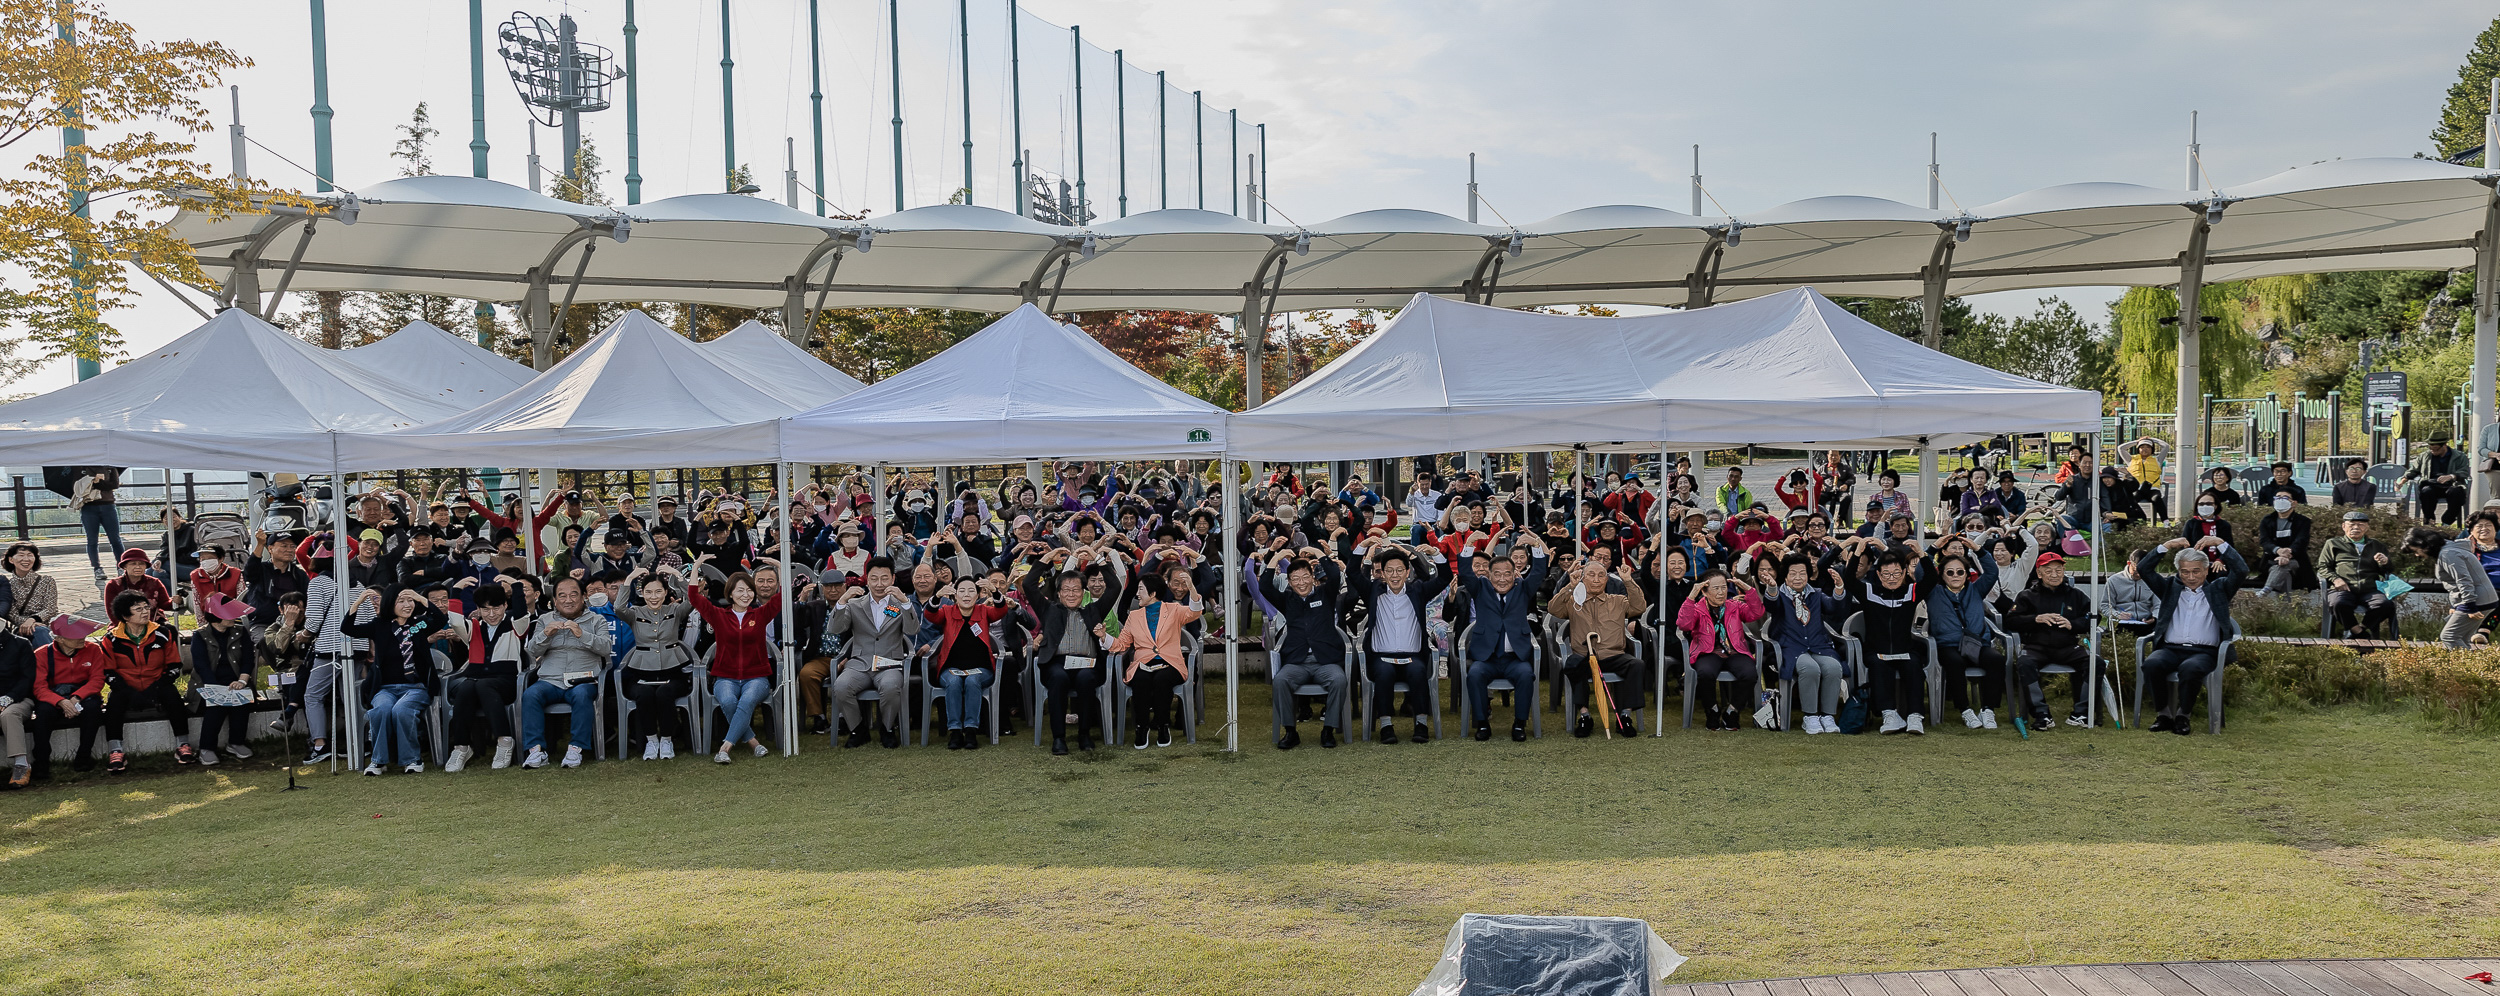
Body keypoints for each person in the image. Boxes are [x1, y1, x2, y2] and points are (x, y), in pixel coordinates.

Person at [2134, 537, 2248, 734]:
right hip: (2171, 649)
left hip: (2204, 652)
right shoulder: (2169, 588)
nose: (2191, 577)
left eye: (2196, 571)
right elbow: (2144, 569)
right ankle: (2164, 715)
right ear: (2179, 571)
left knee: (2190, 668)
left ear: (2206, 569)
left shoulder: (2219, 589)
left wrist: (2220, 543)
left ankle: (2182, 716)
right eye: (2185, 571)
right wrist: (2166, 546)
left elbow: (2241, 570)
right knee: (2152, 664)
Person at [1346, 542, 1451, 744]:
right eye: (1389, 571)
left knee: (1418, 672)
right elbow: (1352, 572)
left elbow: (1445, 577)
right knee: (1384, 674)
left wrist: (1436, 553)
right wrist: (1362, 547)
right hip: (1381, 657)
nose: (1395, 575)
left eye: (1399, 570)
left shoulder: (1418, 590)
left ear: (1407, 572)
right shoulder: (1373, 591)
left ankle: (1421, 724)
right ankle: (1386, 726)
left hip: (1412, 656)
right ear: (1383, 573)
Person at [342, 585, 451, 775]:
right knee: (381, 710)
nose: (407, 605)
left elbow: (440, 619)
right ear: (389, 604)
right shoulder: (380, 626)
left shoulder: (418, 624)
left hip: (415, 688)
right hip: (385, 689)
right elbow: (347, 628)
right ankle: (378, 761)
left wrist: (420, 597)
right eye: (401, 601)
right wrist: (358, 602)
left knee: (402, 710)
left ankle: (412, 760)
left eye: (409, 600)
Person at [1456, 529, 1550, 741]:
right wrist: (1470, 543)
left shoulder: (1522, 589)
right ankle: (1482, 724)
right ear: (1489, 575)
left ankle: (1519, 724)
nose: (1502, 579)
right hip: (1486, 657)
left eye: (1507, 573)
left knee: (1526, 676)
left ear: (1515, 574)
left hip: (1514, 658)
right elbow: (1465, 572)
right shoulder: (1480, 588)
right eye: (1496, 574)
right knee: (1475, 675)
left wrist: (1535, 544)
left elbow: (1538, 571)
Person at [1546, 557, 1649, 738]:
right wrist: (1570, 586)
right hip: (1584, 655)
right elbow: (1553, 609)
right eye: (1591, 575)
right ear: (1583, 578)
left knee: (1637, 665)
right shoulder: (1573, 601)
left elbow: (1639, 607)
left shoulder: (1617, 600)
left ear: (1607, 579)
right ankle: (1585, 715)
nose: (1596, 579)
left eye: (1601, 575)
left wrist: (1628, 580)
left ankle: (1624, 715)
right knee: (1572, 664)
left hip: (1613, 655)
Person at [1259, 546, 1350, 749]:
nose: (1301, 583)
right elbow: (1264, 587)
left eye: (1305, 577)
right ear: (1289, 582)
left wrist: (1318, 553)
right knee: (1281, 681)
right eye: (1296, 579)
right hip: (1297, 662)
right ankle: (1290, 731)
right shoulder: (1287, 600)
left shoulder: (1325, 594)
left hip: (1325, 661)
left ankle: (1328, 730)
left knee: (1339, 680)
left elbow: (1335, 575)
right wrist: (1276, 557)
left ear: (1313, 578)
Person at [817, 558, 913, 749]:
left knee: (891, 686)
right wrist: (843, 601)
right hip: (860, 663)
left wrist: (905, 602)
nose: (879, 584)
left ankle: (887, 728)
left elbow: (912, 630)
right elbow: (835, 629)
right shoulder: (855, 604)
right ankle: (858, 729)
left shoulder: (899, 603)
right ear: (866, 580)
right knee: (841, 686)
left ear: (893, 579)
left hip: (889, 663)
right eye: (874, 578)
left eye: (884, 578)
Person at [520, 576, 614, 769]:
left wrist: (582, 634)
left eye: (574, 594)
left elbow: (606, 648)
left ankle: (575, 749)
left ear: (584, 598)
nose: (568, 600)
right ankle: (536, 750)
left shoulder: (597, 620)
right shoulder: (545, 620)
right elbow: (532, 651)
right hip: (550, 680)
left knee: (581, 695)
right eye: (562, 596)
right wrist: (546, 635)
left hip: (583, 678)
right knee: (530, 695)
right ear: (554, 601)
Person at [1023, 563, 1115, 754]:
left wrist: (1098, 559)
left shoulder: (1093, 610)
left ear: (1084, 592)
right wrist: (1046, 560)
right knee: (1058, 678)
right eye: (1066, 590)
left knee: (1086, 679)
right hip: (1057, 663)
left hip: (1087, 664)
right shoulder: (1049, 609)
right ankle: (1059, 738)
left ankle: (1084, 734)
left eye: (1076, 590)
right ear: (1058, 593)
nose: (1071, 594)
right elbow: (1029, 584)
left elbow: (1115, 587)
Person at [690, 571, 778, 763]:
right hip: (725, 677)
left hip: (757, 677)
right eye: (740, 591)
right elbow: (694, 597)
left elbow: (782, 597)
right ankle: (754, 743)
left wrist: (779, 567)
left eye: (749, 590)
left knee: (746, 701)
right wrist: (696, 567)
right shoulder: (719, 615)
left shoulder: (760, 614)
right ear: (730, 594)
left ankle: (725, 748)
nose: (746, 595)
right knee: (728, 701)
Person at [1106, 573, 1202, 749]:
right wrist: (1102, 636)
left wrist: (1191, 587)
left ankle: (1163, 726)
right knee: (1140, 679)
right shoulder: (1133, 616)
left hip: (1170, 662)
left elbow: (1195, 612)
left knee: (1162, 679)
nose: (1137, 594)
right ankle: (1141, 727)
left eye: (1141, 589)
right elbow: (1121, 645)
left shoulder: (1174, 609)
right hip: (1143, 663)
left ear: (1152, 593)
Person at [97, 590, 189, 772]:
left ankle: (183, 745)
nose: (145, 612)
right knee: (114, 702)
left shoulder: (163, 633)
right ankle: (115, 751)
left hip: (157, 684)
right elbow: (108, 671)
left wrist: (156, 687)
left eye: (146, 607)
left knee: (173, 697)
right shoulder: (111, 639)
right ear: (125, 616)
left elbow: (174, 666)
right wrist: (127, 690)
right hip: (125, 687)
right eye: (138, 609)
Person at [1843, 543, 1928, 735]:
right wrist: (1857, 552)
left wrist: (1922, 554)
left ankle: (1915, 716)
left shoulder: (1911, 592)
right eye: (1887, 574)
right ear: (1879, 575)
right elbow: (1849, 580)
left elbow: (1931, 579)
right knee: (1878, 665)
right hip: (1877, 649)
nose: (1892, 579)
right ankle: (1889, 714)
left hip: (1905, 648)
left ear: (1904, 572)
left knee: (1914, 664)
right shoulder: (1869, 592)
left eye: (1897, 573)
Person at [2006, 552, 2096, 730]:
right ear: (2039, 573)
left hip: (2068, 646)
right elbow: (2010, 620)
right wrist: (2035, 619)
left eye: (2059, 570)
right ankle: (2042, 714)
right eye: (2049, 571)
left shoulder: (2076, 595)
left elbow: (2092, 618)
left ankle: (2081, 712)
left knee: (2095, 662)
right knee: (2024, 662)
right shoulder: (2026, 596)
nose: (2054, 575)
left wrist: (2073, 624)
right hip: (2036, 647)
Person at [1763, 554, 1848, 734]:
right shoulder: (1780, 594)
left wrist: (1839, 587)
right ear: (1785, 576)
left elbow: (1834, 608)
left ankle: (1827, 716)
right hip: (1790, 648)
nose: (1798, 578)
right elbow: (1771, 606)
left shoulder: (1815, 594)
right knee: (1810, 668)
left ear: (1808, 575)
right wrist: (1771, 587)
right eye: (1792, 574)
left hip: (1818, 646)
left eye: (1802, 573)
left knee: (1833, 667)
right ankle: (1809, 716)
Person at [923, 578, 1009, 750]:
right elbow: (930, 615)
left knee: (972, 680)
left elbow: (1001, 610)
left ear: (978, 595)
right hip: (951, 669)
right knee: (954, 682)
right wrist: (937, 597)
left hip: (981, 669)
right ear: (955, 595)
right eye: (962, 591)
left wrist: (994, 590)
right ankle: (955, 731)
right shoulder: (947, 611)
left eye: (971, 591)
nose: (966, 595)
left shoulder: (983, 611)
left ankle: (970, 730)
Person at [617, 569, 695, 760]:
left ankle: (667, 740)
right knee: (644, 695)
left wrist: (677, 574)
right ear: (642, 593)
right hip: (642, 671)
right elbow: (619, 608)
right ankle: (651, 740)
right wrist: (629, 579)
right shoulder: (635, 613)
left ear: (666, 592)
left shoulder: (674, 611)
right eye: (649, 592)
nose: (654, 597)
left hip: (673, 670)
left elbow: (693, 601)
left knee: (664, 693)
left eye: (658, 591)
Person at [1676, 569, 1767, 731]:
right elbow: (1684, 624)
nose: (1721, 592)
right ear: (1704, 591)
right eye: (1715, 588)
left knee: (1750, 673)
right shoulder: (1697, 608)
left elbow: (1757, 612)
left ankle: (1732, 711)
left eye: (1724, 587)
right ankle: (1712, 710)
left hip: (1735, 651)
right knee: (1704, 672)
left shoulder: (1735, 605)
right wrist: (1691, 597)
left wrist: (1748, 590)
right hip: (1708, 651)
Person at [1928, 549, 2006, 730]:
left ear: (1966, 574)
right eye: (1950, 572)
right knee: (1954, 662)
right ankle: (1965, 710)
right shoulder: (1933, 592)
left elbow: (1992, 572)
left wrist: (1979, 550)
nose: (1955, 575)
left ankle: (1988, 710)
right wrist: (1932, 549)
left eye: (1960, 571)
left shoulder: (1976, 589)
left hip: (1976, 643)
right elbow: (1921, 571)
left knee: (1995, 659)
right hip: (1948, 644)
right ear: (1942, 574)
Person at [29, 616, 107, 779]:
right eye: (75, 636)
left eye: (83, 635)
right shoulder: (42, 654)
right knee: (43, 714)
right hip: (53, 698)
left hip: (83, 696)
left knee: (93, 710)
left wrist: (76, 698)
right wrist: (61, 702)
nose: (82, 639)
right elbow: (39, 688)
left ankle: (84, 757)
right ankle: (41, 761)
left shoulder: (93, 649)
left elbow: (97, 680)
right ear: (59, 639)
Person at [2409, 526, 2498, 649]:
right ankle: (2471, 665)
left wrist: (2469, 606)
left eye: (2416, 550)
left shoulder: (2448, 554)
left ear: (2424, 545)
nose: (2417, 555)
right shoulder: (2450, 549)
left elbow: (2464, 580)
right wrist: (2456, 605)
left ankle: (2467, 667)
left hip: (2476, 600)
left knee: (2449, 636)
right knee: (2462, 638)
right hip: (2482, 598)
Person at [2320, 511, 2397, 640]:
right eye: (2352, 524)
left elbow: (2388, 570)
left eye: (2360, 525)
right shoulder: (2333, 544)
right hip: (2344, 587)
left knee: (2385, 604)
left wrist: (2385, 562)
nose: (2356, 528)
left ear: (2366, 527)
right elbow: (2323, 567)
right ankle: (2359, 633)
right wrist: (2336, 579)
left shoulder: (2376, 545)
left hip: (2369, 589)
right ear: (2343, 526)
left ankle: (2358, 629)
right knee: (2338, 603)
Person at [2402, 431, 2471, 525]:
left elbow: (2465, 472)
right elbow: (2413, 470)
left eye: (2435, 449)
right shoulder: (2424, 456)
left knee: (2457, 493)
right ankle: (2430, 522)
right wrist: (2403, 480)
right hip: (2431, 484)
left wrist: (2451, 476)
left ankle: (2446, 522)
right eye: (2430, 448)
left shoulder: (2459, 456)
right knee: (2426, 492)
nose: (2432, 451)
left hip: (2452, 485)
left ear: (2444, 446)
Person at [2255, 495, 2315, 594]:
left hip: (2296, 560)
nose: (2280, 500)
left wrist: (2288, 554)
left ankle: (2266, 590)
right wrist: (2278, 550)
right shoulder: (2267, 520)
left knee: (2284, 564)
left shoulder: (2303, 521)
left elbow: (2301, 541)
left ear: (2294, 503)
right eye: (2277, 497)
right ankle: (2267, 590)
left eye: (2285, 498)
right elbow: (2265, 541)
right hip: (2271, 559)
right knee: (2280, 565)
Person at [3, 542, 57, 646]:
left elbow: (51, 609)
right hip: (21, 628)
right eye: (21, 555)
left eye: (30, 555)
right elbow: (12, 615)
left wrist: (33, 620)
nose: (26, 559)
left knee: (42, 631)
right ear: (11, 559)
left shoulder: (47, 581)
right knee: (39, 631)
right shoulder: (7, 585)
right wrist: (29, 623)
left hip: (47, 626)